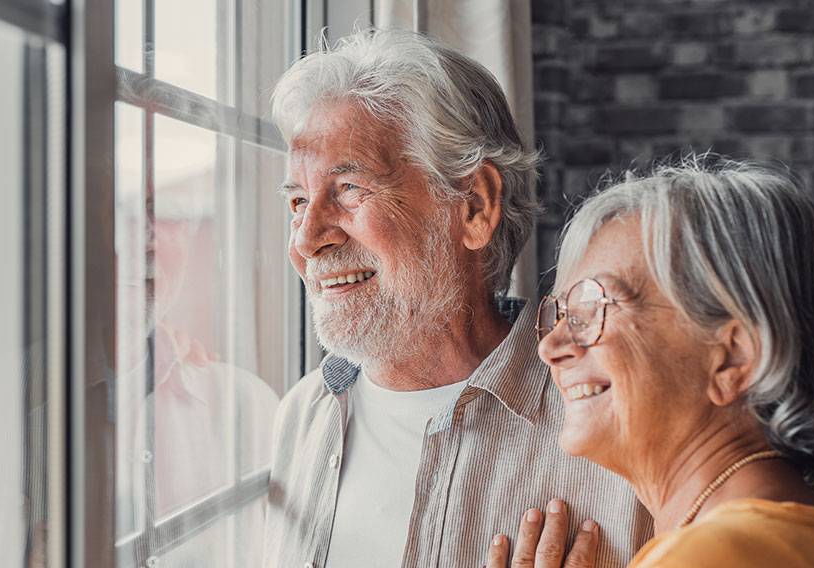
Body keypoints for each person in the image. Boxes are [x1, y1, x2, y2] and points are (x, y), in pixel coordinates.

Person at [263, 27, 651, 568]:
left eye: (349, 188)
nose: (306, 242)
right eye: (299, 201)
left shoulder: (616, 425)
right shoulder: (301, 416)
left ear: (473, 206)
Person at [490, 156, 814, 567]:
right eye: (563, 312)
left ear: (733, 357)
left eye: (594, 308)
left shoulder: (711, 556)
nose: (551, 347)